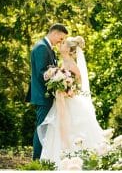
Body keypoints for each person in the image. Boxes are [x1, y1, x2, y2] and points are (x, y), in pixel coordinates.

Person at [37, 36, 104, 167]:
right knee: (56, 128)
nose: (60, 45)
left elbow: (78, 84)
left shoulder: (72, 64)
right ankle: (56, 162)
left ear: (67, 49)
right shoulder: (62, 63)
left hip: (71, 103)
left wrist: (67, 90)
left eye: (62, 44)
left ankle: (77, 161)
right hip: (61, 103)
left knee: (74, 129)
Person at [27, 23, 68, 160]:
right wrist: (58, 76)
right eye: (61, 38)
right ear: (55, 33)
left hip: (47, 95)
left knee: (45, 127)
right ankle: (36, 160)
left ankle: (43, 158)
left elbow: (48, 70)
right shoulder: (41, 48)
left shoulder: (47, 48)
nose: (60, 42)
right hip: (42, 95)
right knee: (41, 128)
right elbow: (41, 73)